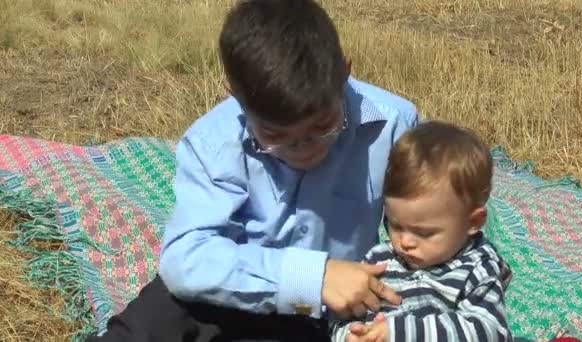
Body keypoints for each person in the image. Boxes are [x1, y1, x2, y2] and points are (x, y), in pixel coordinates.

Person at [87, 0, 418, 341]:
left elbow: (420, 222)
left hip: (332, 312)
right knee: (158, 314)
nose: (304, 148)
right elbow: (186, 259)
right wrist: (313, 278)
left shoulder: (393, 125)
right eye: (276, 137)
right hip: (234, 295)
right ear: (237, 100)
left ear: (345, 73)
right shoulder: (213, 142)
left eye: (323, 127)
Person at [331, 121, 513, 342]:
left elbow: (489, 332)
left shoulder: (477, 268)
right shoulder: (380, 261)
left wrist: (399, 333)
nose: (405, 241)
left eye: (424, 233)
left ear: (472, 222)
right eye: (395, 225)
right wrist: (351, 334)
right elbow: (345, 314)